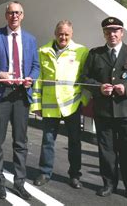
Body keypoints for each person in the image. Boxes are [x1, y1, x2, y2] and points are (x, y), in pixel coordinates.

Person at [81, 17, 127, 203]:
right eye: (108, 31)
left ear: (122, 33)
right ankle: (108, 184)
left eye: (115, 30)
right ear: (104, 33)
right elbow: (85, 78)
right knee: (106, 150)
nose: (111, 34)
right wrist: (99, 88)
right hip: (104, 111)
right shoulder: (95, 54)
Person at [0, 1, 39, 201]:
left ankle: (20, 182)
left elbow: (36, 66)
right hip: (0, 94)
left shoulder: (30, 39)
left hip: (21, 95)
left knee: (20, 142)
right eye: (11, 13)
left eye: (18, 13)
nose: (14, 16)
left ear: (22, 15)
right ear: (6, 16)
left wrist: (31, 77)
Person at [31, 20, 89, 189]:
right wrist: (36, 105)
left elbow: (87, 79)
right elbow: (38, 81)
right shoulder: (43, 51)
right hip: (50, 105)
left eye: (66, 34)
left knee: (75, 141)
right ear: (55, 33)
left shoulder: (81, 51)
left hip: (72, 104)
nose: (63, 37)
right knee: (48, 140)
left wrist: (83, 100)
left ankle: (75, 175)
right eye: (60, 33)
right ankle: (44, 172)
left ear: (71, 34)